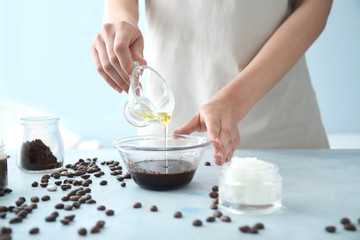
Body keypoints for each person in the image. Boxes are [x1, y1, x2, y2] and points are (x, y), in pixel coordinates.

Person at [91, 0, 332, 165]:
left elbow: (316, 6)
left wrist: (236, 100)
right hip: (165, 136)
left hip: (278, 135)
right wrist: (120, 21)